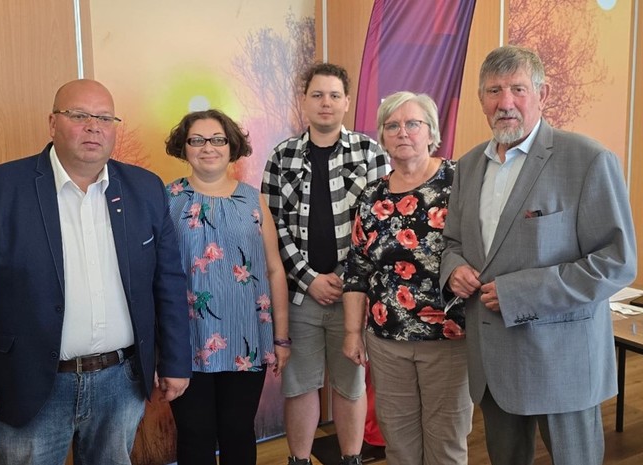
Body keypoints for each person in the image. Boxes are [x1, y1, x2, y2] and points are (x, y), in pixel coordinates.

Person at [0, 79, 191, 465]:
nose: (94, 127)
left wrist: (175, 359)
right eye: (79, 115)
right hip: (29, 385)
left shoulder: (144, 189)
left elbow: (169, 281)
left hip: (121, 382)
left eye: (105, 118)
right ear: (52, 123)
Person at [440, 45, 637, 465]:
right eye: (494, 91)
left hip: (561, 361)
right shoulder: (468, 166)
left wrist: (521, 293)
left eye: (518, 89)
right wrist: (453, 269)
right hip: (494, 361)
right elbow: (452, 242)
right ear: (481, 100)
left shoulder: (588, 159)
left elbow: (616, 262)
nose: (505, 102)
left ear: (542, 94)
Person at [262, 62, 390, 465]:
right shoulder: (281, 156)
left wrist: (342, 277)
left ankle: (351, 458)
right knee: (300, 386)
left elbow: (379, 223)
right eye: (317, 95)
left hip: (353, 296)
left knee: (351, 385)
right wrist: (309, 278)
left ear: (347, 102)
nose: (326, 103)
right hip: (300, 297)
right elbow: (273, 226)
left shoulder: (370, 153)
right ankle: (298, 460)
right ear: (304, 101)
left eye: (334, 95)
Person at [343, 91, 473, 464]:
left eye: (413, 123)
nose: (403, 132)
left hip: (447, 338)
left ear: (431, 132)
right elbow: (357, 268)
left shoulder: (460, 182)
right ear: (382, 137)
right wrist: (352, 333)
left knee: (445, 444)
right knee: (399, 443)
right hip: (387, 342)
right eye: (392, 126)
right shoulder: (373, 196)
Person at [164, 109, 290, 465]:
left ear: (231, 145)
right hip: (186, 341)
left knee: (238, 432)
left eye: (217, 139)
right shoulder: (168, 198)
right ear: (184, 147)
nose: (208, 147)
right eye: (197, 140)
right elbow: (155, 275)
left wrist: (281, 337)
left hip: (245, 337)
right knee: (194, 435)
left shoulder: (253, 199)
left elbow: (274, 269)